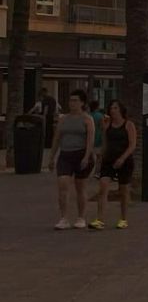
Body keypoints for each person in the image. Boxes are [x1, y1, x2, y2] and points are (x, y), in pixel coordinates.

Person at [48, 90, 95, 230]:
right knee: (62, 185)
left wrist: (86, 157)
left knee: (80, 188)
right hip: (65, 155)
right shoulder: (63, 119)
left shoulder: (87, 119)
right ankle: (63, 218)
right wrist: (51, 157)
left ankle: (81, 217)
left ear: (82, 103)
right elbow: (57, 139)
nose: (72, 103)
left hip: (81, 154)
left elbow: (90, 140)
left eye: (75, 100)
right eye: (70, 100)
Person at [91, 100, 136, 230]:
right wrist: (101, 156)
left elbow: (132, 144)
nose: (113, 110)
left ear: (121, 110)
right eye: (111, 108)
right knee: (103, 186)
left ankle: (123, 218)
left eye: (115, 108)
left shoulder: (128, 125)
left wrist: (122, 158)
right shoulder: (108, 125)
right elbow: (105, 142)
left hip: (124, 160)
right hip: (109, 160)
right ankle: (100, 219)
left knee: (123, 190)